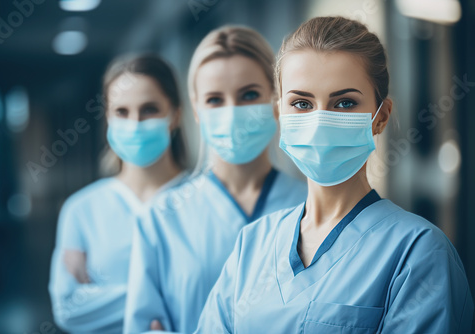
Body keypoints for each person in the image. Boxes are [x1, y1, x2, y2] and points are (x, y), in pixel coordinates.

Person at [195, 16, 474, 333]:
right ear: (279, 115)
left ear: (380, 117)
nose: (319, 122)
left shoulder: (418, 253)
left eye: (344, 103)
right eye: (301, 103)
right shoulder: (253, 244)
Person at [123, 26, 308, 334]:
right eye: (214, 100)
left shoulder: (312, 208)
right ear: (195, 110)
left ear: (276, 101)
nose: (232, 111)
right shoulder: (159, 219)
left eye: (249, 95)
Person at [48, 54, 188, 333]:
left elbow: (226, 300)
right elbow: (68, 308)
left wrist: (105, 296)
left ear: (175, 115)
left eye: (149, 109)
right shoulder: (81, 209)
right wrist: (174, 297)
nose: (135, 123)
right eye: (121, 112)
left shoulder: (208, 200)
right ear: (108, 119)